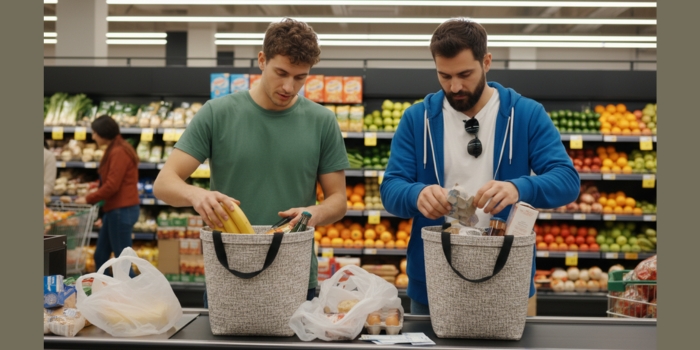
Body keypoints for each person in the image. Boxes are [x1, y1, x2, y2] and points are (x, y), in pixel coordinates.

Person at [379, 18, 580, 315]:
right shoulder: (417, 119)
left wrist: (517, 187)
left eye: (464, 74)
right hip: (434, 277)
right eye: (444, 76)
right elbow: (391, 188)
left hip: (505, 273)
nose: (455, 86)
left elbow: (567, 181)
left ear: (486, 62)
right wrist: (416, 195)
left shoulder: (525, 114)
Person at [153, 18, 349, 305]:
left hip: (292, 273)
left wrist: (314, 214)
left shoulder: (322, 121)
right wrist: (196, 195)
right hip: (228, 270)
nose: (288, 86)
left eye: (300, 77)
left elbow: (338, 200)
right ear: (261, 60)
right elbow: (164, 184)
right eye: (280, 72)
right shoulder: (216, 113)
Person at [75, 115, 141, 275]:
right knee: (101, 255)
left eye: (95, 133)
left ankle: (130, 298)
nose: (93, 137)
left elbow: (112, 185)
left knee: (123, 263)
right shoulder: (117, 148)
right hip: (115, 211)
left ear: (103, 133)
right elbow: (112, 181)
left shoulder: (118, 152)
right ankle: (105, 293)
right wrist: (95, 188)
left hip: (121, 211)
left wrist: (88, 198)